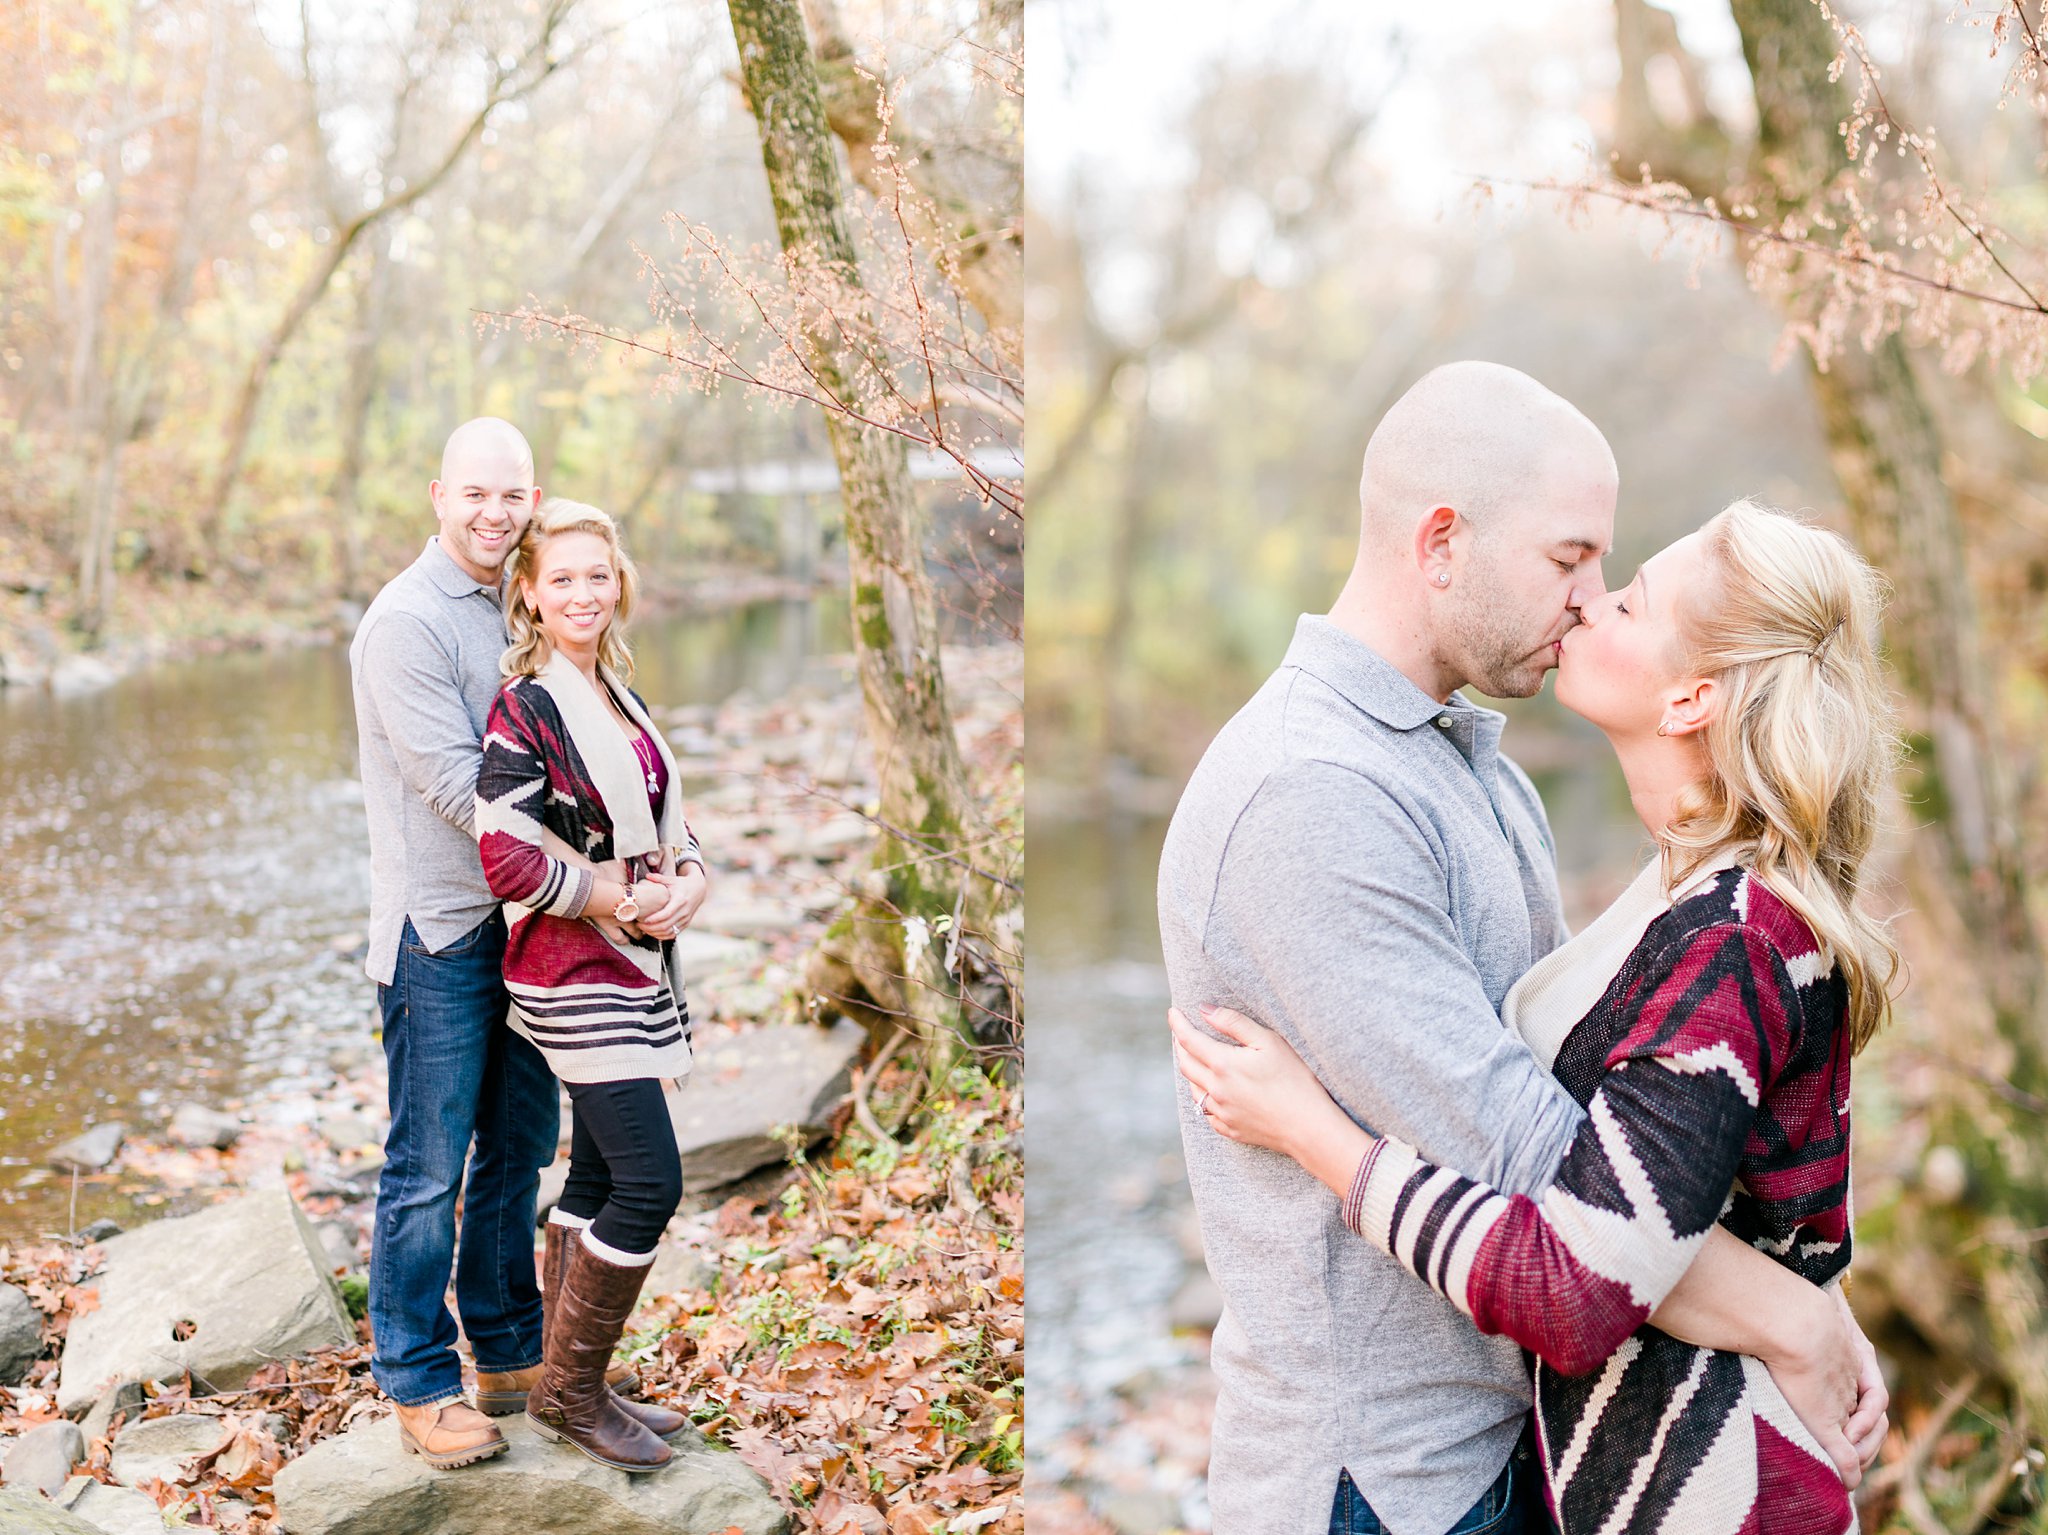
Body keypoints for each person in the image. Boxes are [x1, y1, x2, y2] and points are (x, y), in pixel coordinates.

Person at [1154, 364, 1885, 1535]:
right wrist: (1792, 1315)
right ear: (1440, 541)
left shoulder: (1476, 772)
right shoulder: (1310, 794)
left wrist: (1810, 1309)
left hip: (1516, 1452)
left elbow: (1606, 1160)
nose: (1589, 599)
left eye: (1607, 572)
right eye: (1567, 560)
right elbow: (1537, 1159)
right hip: (1384, 1483)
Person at [475, 499, 708, 1472]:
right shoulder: (525, 705)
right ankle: (566, 1395)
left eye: (597, 576)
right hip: (570, 970)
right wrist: (611, 894)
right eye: (561, 577)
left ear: (621, 587)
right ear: (529, 589)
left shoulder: (616, 689)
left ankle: (580, 1380)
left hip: (636, 958)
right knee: (653, 1178)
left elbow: (666, 822)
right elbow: (505, 859)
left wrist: (691, 879)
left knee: (603, 1175)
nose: (582, 592)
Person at [351, 418, 559, 1469]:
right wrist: (589, 877)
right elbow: (453, 787)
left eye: (511, 494)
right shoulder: (404, 622)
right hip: (439, 934)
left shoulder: (521, 603)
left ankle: (511, 1350)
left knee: (517, 1150)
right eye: (475, 493)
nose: (493, 512)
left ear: (532, 497)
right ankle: (419, 1378)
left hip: (528, 931)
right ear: (438, 494)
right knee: (426, 1165)